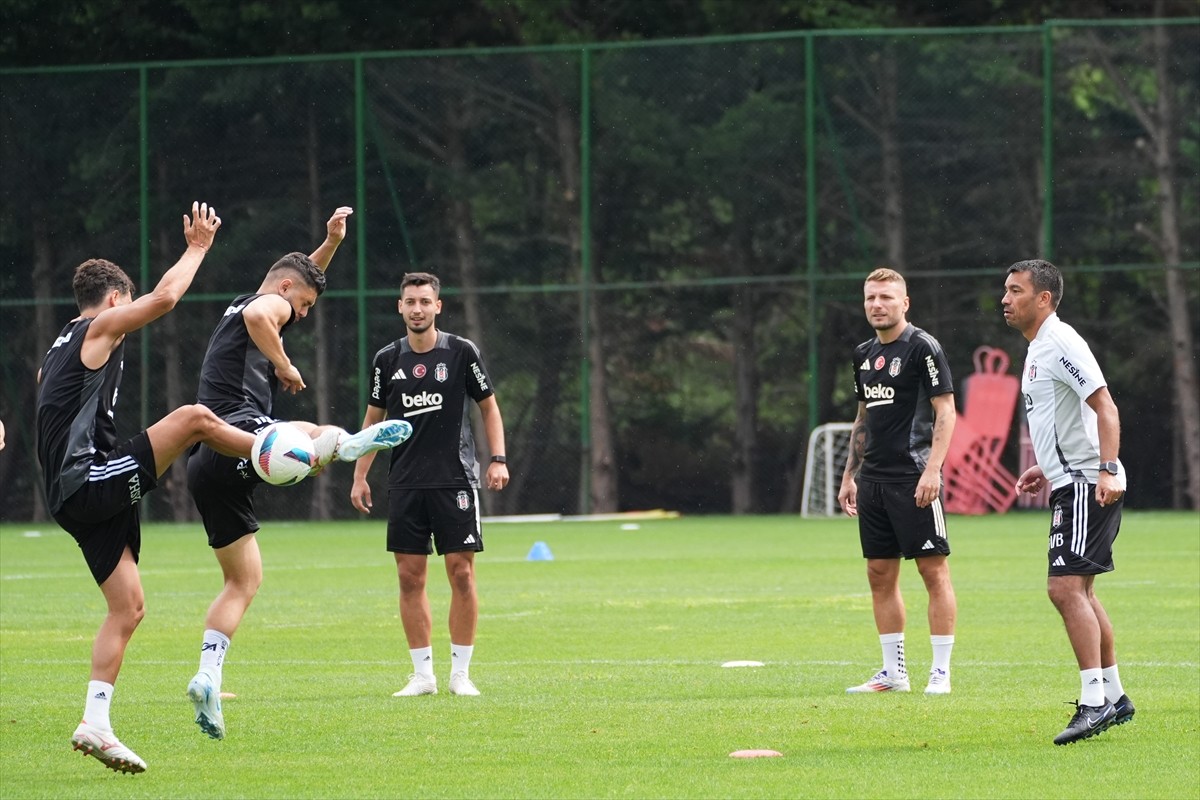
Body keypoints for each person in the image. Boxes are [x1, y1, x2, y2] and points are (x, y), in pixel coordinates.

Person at [36, 202, 259, 773]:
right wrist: (198, 249)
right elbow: (162, 300)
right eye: (124, 304)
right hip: (87, 481)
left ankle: (95, 723)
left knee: (129, 608)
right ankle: (277, 452)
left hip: (73, 496)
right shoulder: (97, 327)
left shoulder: (56, 348)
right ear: (114, 299)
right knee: (194, 419)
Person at [184, 206, 411, 740]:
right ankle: (342, 449)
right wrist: (284, 364)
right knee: (307, 437)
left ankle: (207, 675)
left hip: (206, 464)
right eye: (305, 306)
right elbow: (268, 314)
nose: (304, 314)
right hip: (240, 430)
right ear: (286, 289)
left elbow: (296, 277)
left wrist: (329, 244)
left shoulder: (267, 289)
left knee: (244, 579)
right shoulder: (268, 305)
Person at [350, 271, 509, 698]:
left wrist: (497, 459)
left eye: (425, 301)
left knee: (461, 574)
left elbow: (489, 408)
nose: (417, 309)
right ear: (399, 307)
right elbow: (373, 421)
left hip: (455, 479)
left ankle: (461, 674)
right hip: (404, 483)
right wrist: (360, 473)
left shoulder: (461, 352)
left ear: (438, 306)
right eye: (410, 302)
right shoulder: (387, 359)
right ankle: (423, 676)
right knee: (409, 577)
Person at [1003, 259, 1134, 745]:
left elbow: (1104, 406)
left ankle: (1094, 703)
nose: (1005, 299)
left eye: (1016, 291)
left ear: (1044, 299)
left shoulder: (1060, 342)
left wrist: (1106, 467)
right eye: (1005, 290)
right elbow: (1067, 416)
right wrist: (1047, 466)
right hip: (1070, 477)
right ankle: (1114, 696)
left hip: (1086, 482)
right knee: (1082, 592)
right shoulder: (1039, 347)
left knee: (1064, 590)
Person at [837, 268, 958, 695]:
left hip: (914, 477)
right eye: (871, 298)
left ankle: (940, 672)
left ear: (904, 303)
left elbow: (946, 411)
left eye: (886, 297)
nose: (877, 305)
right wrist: (851, 474)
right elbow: (863, 416)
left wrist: (933, 469)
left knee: (932, 572)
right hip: (873, 481)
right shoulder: (863, 354)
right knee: (878, 573)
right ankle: (894, 673)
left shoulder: (923, 347)